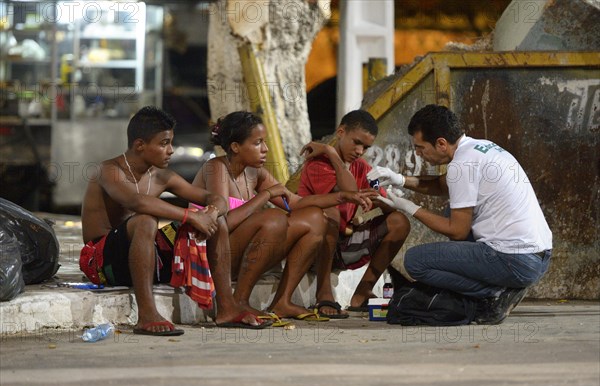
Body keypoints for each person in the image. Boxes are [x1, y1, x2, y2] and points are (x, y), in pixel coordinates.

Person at [80, 106, 268, 336]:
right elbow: (136, 202)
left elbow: (216, 198)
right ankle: (147, 314)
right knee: (146, 220)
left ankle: (227, 308)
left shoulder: (162, 176)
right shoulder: (109, 170)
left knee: (217, 222)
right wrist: (190, 216)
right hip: (101, 264)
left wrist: (210, 212)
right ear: (140, 145)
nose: (170, 150)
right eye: (163, 143)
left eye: (171, 143)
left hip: (147, 259)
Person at [368, 104, 552, 324]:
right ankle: (503, 286)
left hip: (515, 260)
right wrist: (399, 179)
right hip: (539, 256)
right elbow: (442, 185)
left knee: (416, 261)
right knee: (451, 209)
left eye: (420, 148)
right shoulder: (481, 148)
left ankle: (494, 293)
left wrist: (407, 206)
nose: (418, 154)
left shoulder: (461, 165)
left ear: (441, 144)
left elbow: (457, 231)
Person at [192, 111, 376, 320]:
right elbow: (222, 225)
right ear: (235, 147)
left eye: (265, 142)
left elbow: (295, 203)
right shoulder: (216, 169)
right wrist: (265, 195)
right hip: (214, 257)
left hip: (239, 253)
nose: (265, 149)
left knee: (315, 218)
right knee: (274, 218)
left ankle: (282, 301)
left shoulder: (255, 172)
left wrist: (344, 196)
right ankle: (239, 300)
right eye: (258, 143)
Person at [298, 110, 411, 317]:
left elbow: (389, 205)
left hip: (343, 245)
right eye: (356, 142)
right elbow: (348, 190)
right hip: (313, 247)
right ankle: (324, 292)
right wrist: (330, 152)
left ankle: (362, 292)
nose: (360, 151)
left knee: (399, 222)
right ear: (340, 132)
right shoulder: (319, 163)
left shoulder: (361, 166)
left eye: (366, 147)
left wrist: (377, 198)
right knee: (330, 213)